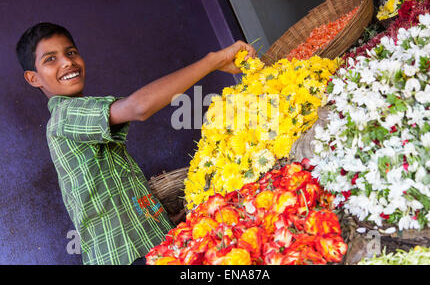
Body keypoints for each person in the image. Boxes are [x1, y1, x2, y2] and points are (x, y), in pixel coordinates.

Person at [16, 22, 256, 265]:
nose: (67, 62)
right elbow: (139, 108)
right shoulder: (65, 115)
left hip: (145, 249)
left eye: (71, 52)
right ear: (33, 78)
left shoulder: (82, 116)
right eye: (50, 59)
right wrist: (213, 61)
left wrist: (159, 220)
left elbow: (115, 191)